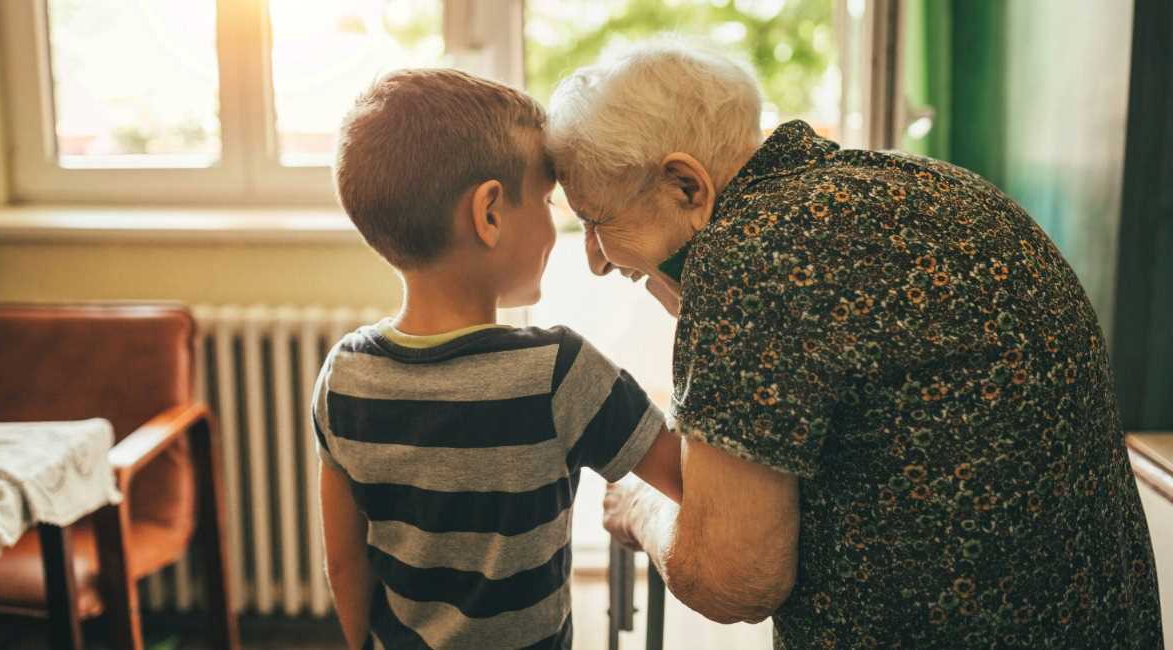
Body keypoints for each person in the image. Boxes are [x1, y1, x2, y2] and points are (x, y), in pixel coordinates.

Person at [545, 41, 1164, 648]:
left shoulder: (752, 252)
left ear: (686, 186)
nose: (596, 259)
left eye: (596, 220)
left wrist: (642, 510)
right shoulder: (926, 185)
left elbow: (731, 580)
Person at [312, 68, 683, 650]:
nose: (558, 223)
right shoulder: (558, 373)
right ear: (488, 213)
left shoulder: (344, 376)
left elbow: (342, 558)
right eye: (545, 199)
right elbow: (689, 477)